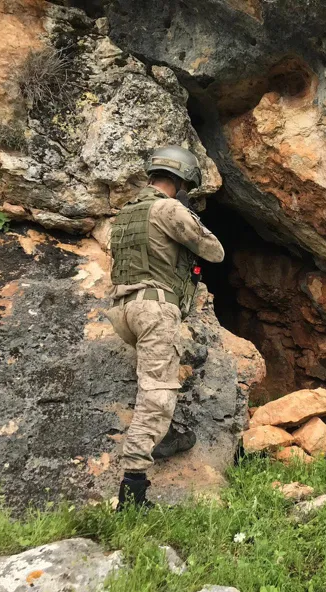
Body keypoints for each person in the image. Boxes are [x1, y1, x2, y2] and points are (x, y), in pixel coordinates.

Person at [106, 145, 225, 509]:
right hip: (155, 308)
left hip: (124, 310)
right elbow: (214, 251)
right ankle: (133, 491)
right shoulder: (169, 208)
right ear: (183, 179)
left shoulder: (124, 215)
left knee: (154, 381)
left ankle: (165, 432)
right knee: (158, 391)